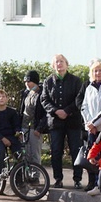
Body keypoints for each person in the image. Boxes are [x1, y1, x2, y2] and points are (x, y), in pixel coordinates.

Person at [41, 54, 85, 189]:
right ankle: (58, 179)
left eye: (61, 61)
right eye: (56, 62)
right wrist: (56, 111)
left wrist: (67, 111)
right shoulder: (48, 81)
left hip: (73, 121)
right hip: (55, 122)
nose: (59, 64)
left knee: (76, 150)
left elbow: (79, 99)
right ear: (53, 65)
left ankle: (77, 179)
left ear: (66, 64)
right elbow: (44, 100)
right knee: (56, 151)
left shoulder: (76, 81)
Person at [81, 59, 101, 194]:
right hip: (91, 128)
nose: (98, 73)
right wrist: (89, 123)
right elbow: (84, 107)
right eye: (95, 71)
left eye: (100, 70)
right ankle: (93, 182)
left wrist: (95, 123)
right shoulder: (89, 88)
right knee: (92, 156)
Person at [0, 89, 21, 191]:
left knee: (19, 155)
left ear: (7, 99)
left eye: (3, 97)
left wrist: (18, 132)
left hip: (11, 136)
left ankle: (19, 180)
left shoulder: (12, 112)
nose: (1, 99)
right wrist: (2, 138)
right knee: (0, 152)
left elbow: (16, 125)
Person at [18, 70, 46, 166]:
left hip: (35, 128)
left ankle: (35, 176)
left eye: (29, 81)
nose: (27, 84)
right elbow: (21, 110)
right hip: (24, 127)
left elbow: (45, 114)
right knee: (25, 154)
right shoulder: (26, 93)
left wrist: (39, 128)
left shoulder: (42, 94)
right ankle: (27, 176)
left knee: (35, 154)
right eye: (25, 81)